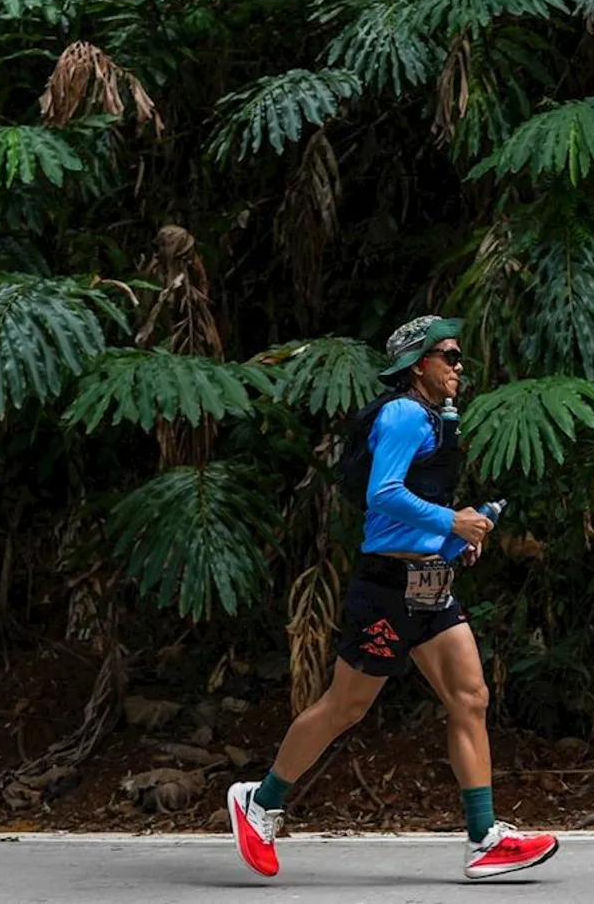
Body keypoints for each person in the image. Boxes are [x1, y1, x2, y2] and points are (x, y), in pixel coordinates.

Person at [226, 315, 561, 882]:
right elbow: (384, 495)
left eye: (458, 357)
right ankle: (260, 801)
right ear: (418, 364)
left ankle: (483, 838)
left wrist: (450, 539)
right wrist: (450, 518)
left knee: (470, 697)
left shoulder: (435, 417)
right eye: (449, 356)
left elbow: (417, 502)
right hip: (386, 590)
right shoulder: (404, 412)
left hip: (431, 585)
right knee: (345, 707)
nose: (459, 367)